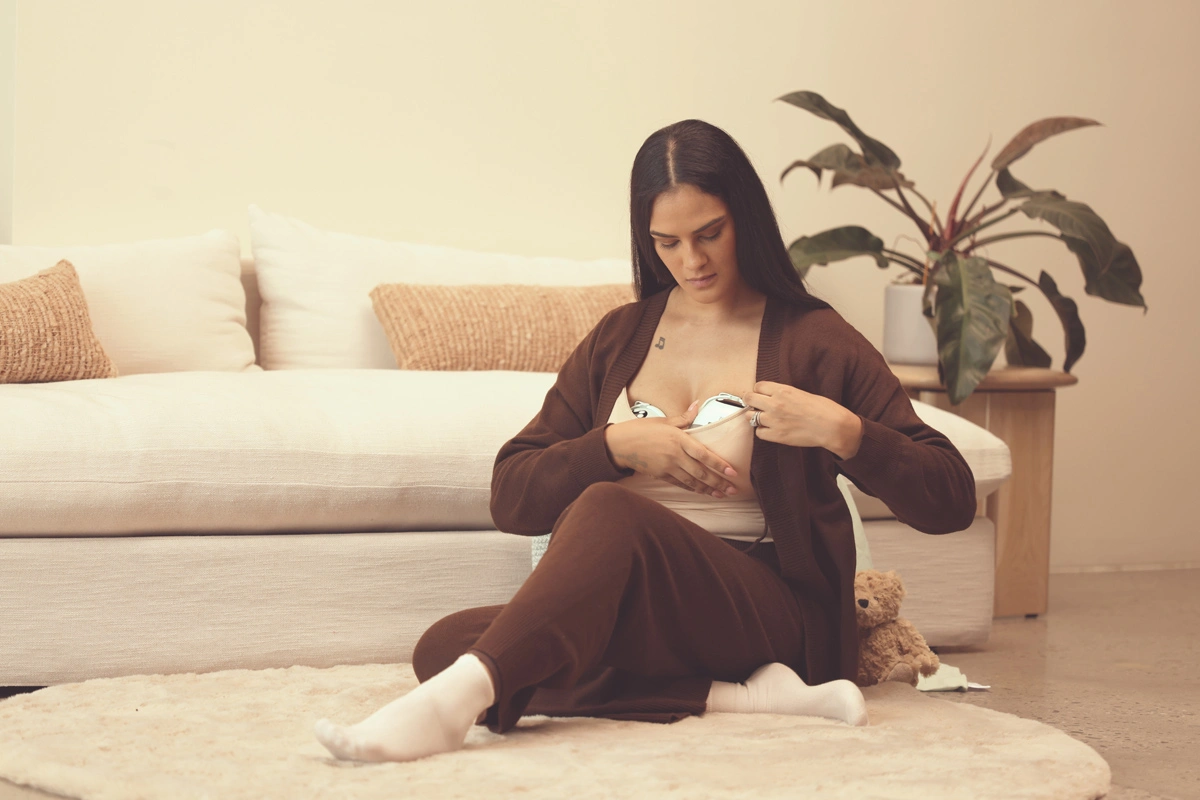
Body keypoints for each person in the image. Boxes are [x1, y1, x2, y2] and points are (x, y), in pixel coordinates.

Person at [314, 119, 977, 763]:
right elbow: (511, 496)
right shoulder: (619, 336)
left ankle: (449, 710)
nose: (691, 260)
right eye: (667, 242)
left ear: (745, 216)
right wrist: (617, 447)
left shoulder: (813, 336)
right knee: (444, 647)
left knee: (607, 516)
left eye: (710, 233)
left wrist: (845, 432)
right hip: (649, 608)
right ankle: (741, 698)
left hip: (770, 609)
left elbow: (951, 498)